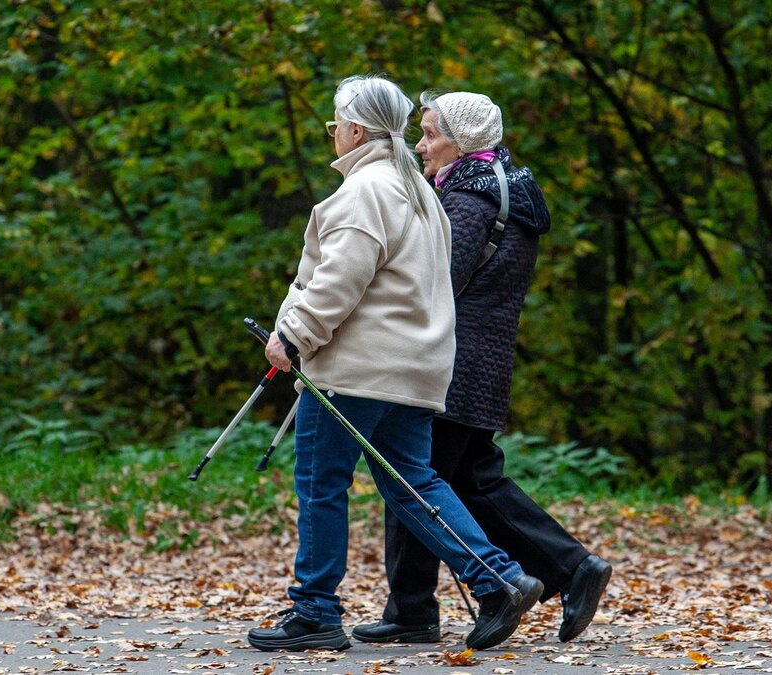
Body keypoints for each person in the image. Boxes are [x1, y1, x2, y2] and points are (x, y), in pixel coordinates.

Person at [246, 75, 544, 653]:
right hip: (416, 368)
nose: (333, 135)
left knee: (321, 482)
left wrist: (294, 336)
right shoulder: (419, 188)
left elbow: (337, 281)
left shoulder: (366, 191)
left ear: (356, 129)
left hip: (356, 370)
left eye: (336, 125)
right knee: (414, 482)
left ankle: (314, 612)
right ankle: (499, 579)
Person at [351, 91, 613, 646]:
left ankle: (417, 610)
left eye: (430, 134)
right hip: (482, 361)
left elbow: (431, 278)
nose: (420, 145)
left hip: (453, 362)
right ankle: (571, 569)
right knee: (471, 479)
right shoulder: (503, 186)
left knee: (412, 478)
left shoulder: (469, 199)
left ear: (463, 141)